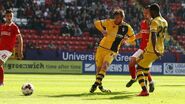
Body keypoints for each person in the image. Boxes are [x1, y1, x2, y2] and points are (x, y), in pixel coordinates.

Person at [90, 8, 135, 93]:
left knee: (105, 65)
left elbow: (133, 37)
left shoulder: (127, 27)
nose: (116, 19)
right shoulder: (109, 22)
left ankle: (95, 84)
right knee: (98, 69)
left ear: (122, 17)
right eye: (115, 17)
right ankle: (100, 86)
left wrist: (126, 41)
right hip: (101, 47)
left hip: (113, 50)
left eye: (118, 17)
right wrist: (103, 30)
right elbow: (96, 23)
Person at [136, 3, 168, 96]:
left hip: (152, 49)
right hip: (161, 49)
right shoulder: (165, 21)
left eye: (150, 12)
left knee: (138, 68)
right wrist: (158, 50)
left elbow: (153, 36)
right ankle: (146, 87)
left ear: (154, 11)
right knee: (145, 68)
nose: (149, 14)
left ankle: (144, 90)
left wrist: (154, 49)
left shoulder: (155, 21)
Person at [126, 6, 154, 93]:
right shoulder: (143, 22)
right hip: (142, 48)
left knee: (141, 67)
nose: (145, 14)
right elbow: (142, 34)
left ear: (151, 13)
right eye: (144, 13)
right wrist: (131, 39)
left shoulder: (154, 23)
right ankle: (136, 79)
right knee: (132, 63)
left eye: (147, 13)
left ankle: (146, 86)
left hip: (148, 49)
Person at [0, 9, 23, 86]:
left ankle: (1, 82)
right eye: (8, 16)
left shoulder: (14, 27)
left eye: (11, 16)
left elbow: (20, 39)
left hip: (8, 50)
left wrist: (20, 51)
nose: (9, 17)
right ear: (5, 17)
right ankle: (1, 82)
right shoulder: (2, 27)